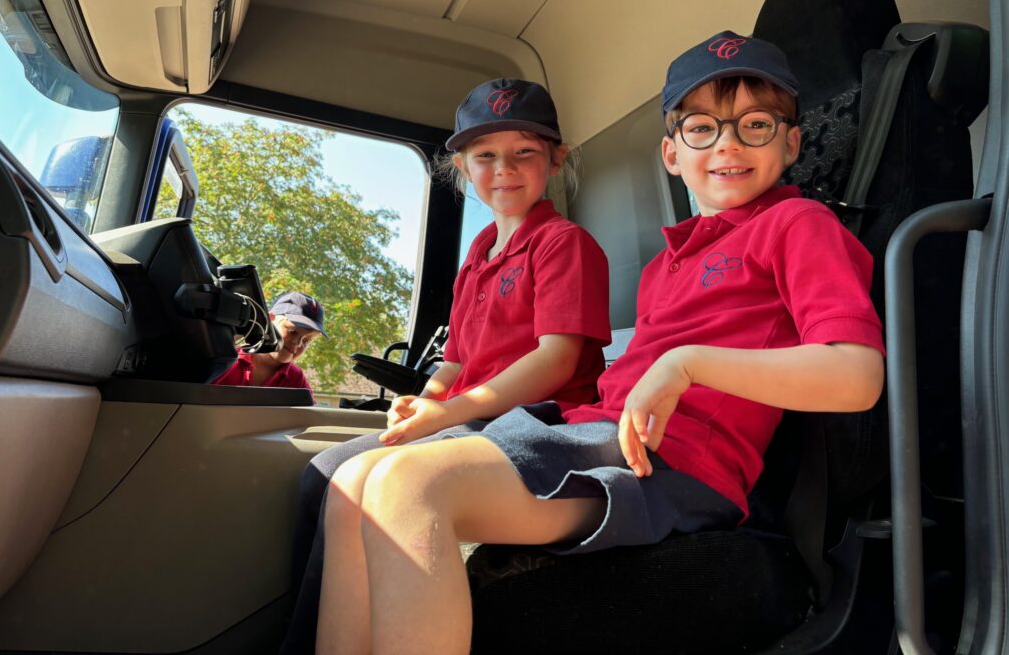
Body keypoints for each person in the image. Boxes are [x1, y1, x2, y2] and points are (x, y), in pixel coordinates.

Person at [313, 32, 887, 655]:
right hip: (589, 431)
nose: (727, 143)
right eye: (702, 128)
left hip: (676, 461)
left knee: (408, 487)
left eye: (755, 125)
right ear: (671, 153)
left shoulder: (797, 224)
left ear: (792, 142)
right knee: (356, 483)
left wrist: (685, 365)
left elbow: (856, 377)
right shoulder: (666, 263)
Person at [279, 78, 611, 653]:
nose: (504, 168)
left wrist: (447, 414)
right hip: (475, 415)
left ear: (555, 159)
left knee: (342, 476)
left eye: (524, 153)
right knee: (323, 474)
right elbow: (455, 357)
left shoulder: (563, 243)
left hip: (539, 419)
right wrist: (428, 400)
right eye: (485, 156)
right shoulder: (478, 254)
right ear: (461, 166)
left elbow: (558, 360)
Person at [212, 291, 325, 390]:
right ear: (269, 320)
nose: (298, 343)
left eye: (306, 341)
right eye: (292, 332)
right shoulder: (224, 361)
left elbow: (309, 413)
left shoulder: (296, 379)